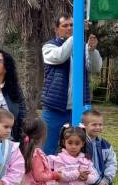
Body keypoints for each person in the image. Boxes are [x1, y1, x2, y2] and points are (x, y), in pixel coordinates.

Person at [41, 15, 103, 155]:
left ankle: (78, 175)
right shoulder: (49, 47)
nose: (70, 28)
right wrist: (78, 34)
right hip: (55, 108)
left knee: (79, 148)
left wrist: (91, 51)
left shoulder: (83, 48)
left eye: (73, 25)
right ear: (57, 29)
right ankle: (47, 175)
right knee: (49, 148)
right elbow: (60, 56)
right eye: (65, 25)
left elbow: (95, 68)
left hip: (79, 109)